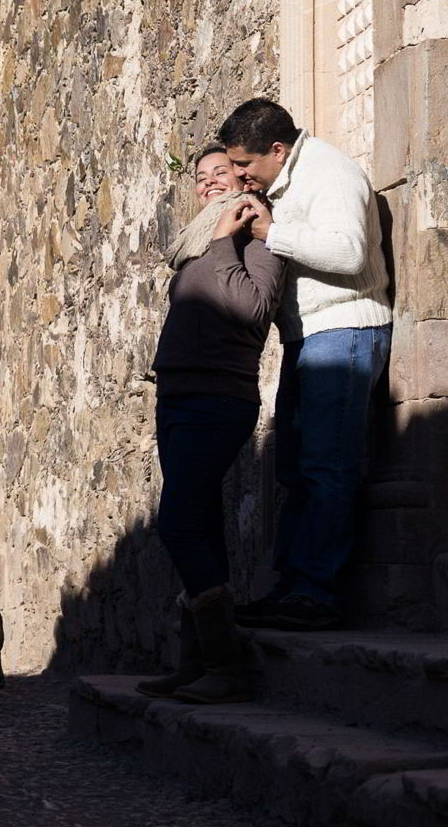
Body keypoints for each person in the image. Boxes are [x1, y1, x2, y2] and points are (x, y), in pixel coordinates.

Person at [218, 98, 392, 631]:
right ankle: (292, 587)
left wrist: (273, 233)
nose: (241, 176)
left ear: (277, 149)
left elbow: (349, 254)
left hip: (344, 331)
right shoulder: (286, 178)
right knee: (294, 468)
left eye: (245, 165)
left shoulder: (330, 172)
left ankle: (318, 593)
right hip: (310, 337)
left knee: (327, 467)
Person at [136, 146, 284, 704]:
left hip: (218, 399)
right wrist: (215, 239)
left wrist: (227, 238)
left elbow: (251, 310)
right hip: (178, 396)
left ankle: (227, 665)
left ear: (243, 178)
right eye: (199, 178)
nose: (207, 185)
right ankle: (197, 664)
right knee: (199, 522)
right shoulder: (199, 246)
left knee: (177, 523)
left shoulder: (259, 239)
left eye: (218, 173)